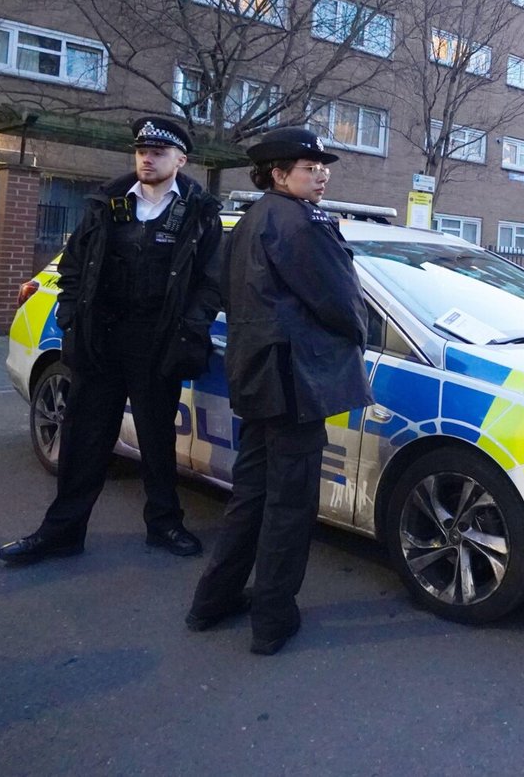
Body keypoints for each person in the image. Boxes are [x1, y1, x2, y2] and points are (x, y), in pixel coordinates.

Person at [0, 117, 222, 566]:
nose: (147, 157)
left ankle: (164, 524)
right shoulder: (107, 202)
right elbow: (74, 266)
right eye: (141, 150)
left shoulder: (199, 212)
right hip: (101, 338)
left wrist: (188, 330)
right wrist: (72, 316)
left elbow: (209, 283)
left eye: (158, 152)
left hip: (156, 341)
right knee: (84, 437)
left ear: (180, 159)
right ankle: (62, 531)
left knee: (158, 440)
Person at [186, 126, 373, 656]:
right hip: (296, 381)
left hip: (256, 375)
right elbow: (340, 301)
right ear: (277, 173)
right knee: (289, 504)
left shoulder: (252, 218)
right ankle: (272, 620)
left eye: (323, 166)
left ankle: (211, 602)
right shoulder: (302, 224)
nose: (322, 174)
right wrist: (357, 332)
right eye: (309, 168)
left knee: (251, 496)